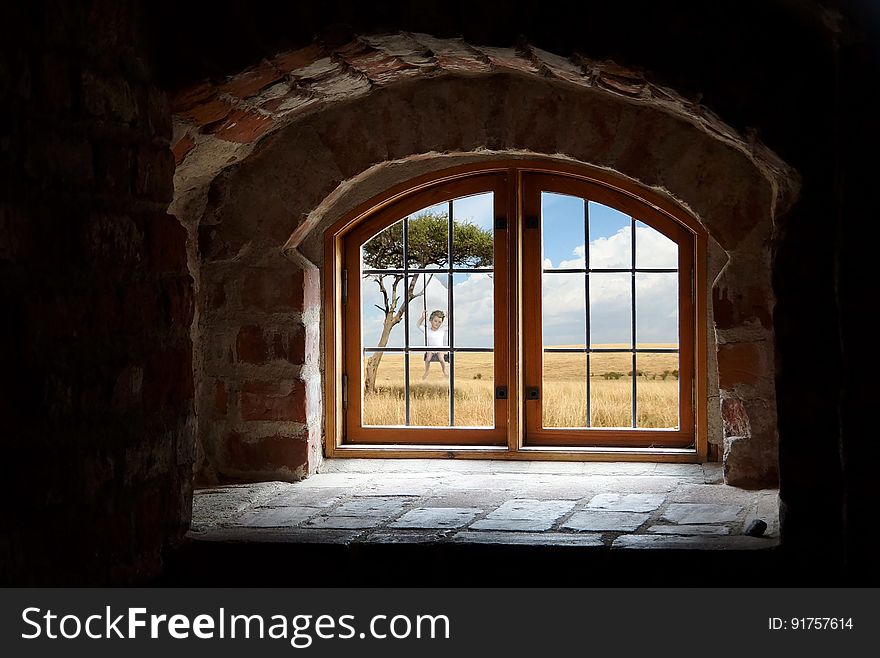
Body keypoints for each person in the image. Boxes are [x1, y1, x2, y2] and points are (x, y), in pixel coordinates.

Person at [417, 309, 448, 380]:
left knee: (441, 359)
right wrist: (422, 318)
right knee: (428, 359)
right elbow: (418, 325)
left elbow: (451, 325)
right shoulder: (427, 330)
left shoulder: (442, 330)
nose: (437, 323)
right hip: (430, 349)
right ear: (431, 320)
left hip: (440, 349)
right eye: (435, 321)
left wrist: (448, 318)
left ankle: (444, 370)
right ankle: (426, 371)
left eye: (440, 322)